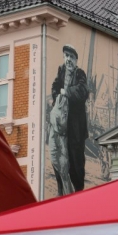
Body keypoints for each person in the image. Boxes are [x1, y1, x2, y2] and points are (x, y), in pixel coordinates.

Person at [50, 44, 89, 195]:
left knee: (75, 161)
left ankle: (78, 192)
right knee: (58, 158)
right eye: (66, 56)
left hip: (75, 129)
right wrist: (57, 100)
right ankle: (62, 191)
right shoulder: (61, 71)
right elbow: (54, 87)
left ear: (76, 60)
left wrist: (66, 92)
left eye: (71, 57)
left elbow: (82, 91)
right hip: (61, 126)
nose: (68, 60)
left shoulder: (80, 74)